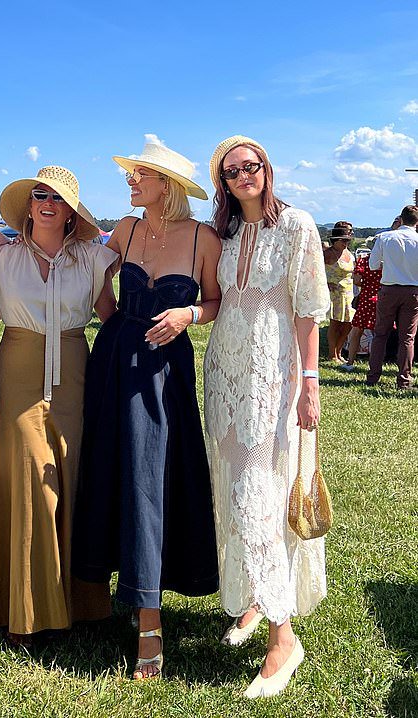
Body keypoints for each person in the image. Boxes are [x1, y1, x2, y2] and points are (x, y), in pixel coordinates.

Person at [72, 142, 221, 680]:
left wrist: (186, 313)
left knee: (150, 478)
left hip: (164, 369)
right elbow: (90, 269)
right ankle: (109, 595)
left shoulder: (204, 238)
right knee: (110, 469)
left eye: (139, 175)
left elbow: (216, 302)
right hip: (113, 358)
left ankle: (151, 622)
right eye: (132, 174)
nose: (130, 181)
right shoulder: (124, 229)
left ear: (167, 185)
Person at [204, 135, 330, 698]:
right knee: (232, 492)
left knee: (261, 494)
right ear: (223, 183)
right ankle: (255, 600)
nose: (243, 176)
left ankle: (284, 638)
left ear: (267, 169)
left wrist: (310, 380)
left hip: (273, 377)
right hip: (223, 375)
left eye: (250, 167)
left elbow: (309, 308)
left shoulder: (297, 225)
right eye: (232, 172)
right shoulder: (225, 234)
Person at [0, 166, 118, 644]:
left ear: (70, 212)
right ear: (29, 204)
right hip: (16, 371)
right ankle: (21, 607)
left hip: (75, 375)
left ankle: (79, 603)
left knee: (72, 475)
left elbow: (111, 315)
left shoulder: (92, 260)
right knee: (27, 480)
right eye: (39, 194)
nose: (46, 202)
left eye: (57, 198)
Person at [366, 205, 418, 389]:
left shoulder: (385, 237)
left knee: (380, 334)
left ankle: (373, 376)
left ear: (401, 219)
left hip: (388, 289)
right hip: (413, 291)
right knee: (407, 337)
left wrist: (388, 264)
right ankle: (404, 379)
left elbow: (372, 265)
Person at [340, 249, 382, 371]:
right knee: (379, 334)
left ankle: (350, 362)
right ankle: (375, 364)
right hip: (382, 298)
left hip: (366, 299)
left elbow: (357, 280)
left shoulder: (364, 260)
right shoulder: (388, 261)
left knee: (357, 331)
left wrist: (368, 285)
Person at [324, 222, 355, 362]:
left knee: (348, 324)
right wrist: (325, 283)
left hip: (349, 293)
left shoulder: (349, 253)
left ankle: (339, 351)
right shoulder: (327, 254)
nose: (346, 243)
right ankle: (332, 353)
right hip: (334, 294)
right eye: (343, 240)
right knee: (335, 324)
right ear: (335, 240)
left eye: (348, 240)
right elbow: (314, 272)